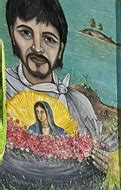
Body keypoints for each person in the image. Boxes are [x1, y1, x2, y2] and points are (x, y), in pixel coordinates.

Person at [5, 0, 100, 138]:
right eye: (25, 32)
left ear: (60, 49)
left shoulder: (79, 104)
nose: (37, 48)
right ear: (12, 35)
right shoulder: (4, 85)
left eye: (49, 39)